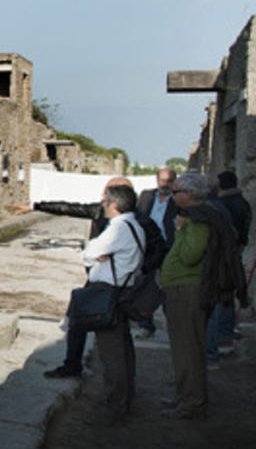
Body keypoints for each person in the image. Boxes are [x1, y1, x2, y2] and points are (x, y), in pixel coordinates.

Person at [36, 177, 162, 378]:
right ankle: (72, 364)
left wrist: (130, 267)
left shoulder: (136, 222)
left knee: (112, 341)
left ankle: (118, 399)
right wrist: (37, 206)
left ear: (120, 198)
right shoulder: (106, 213)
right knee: (77, 322)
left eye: (108, 193)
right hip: (101, 279)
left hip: (114, 284)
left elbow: (157, 251)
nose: (103, 197)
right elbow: (70, 208)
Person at [160, 172, 245, 419]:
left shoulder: (197, 219)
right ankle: (186, 396)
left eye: (176, 192)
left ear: (189, 194)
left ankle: (192, 403)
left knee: (188, 349)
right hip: (186, 288)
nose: (172, 196)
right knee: (186, 347)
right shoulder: (200, 215)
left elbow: (190, 255)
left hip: (188, 290)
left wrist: (179, 230)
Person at [80, 184, 144, 421]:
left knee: (112, 353)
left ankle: (115, 406)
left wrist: (95, 253)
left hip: (109, 294)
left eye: (105, 201)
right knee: (122, 349)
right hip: (122, 292)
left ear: (114, 204)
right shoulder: (134, 225)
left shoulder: (118, 228)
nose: (103, 205)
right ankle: (124, 398)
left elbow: (87, 252)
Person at [208, 169, 252, 359]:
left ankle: (222, 335)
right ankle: (226, 332)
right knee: (229, 290)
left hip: (224, 253)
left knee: (221, 291)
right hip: (235, 250)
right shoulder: (242, 202)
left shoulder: (222, 204)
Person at [133, 167, 179, 338]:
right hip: (149, 248)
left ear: (175, 182)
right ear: (156, 180)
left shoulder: (178, 199)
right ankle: (146, 325)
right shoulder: (146, 196)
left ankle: (172, 325)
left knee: (169, 287)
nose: (165, 185)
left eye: (169, 181)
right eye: (162, 181)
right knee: (145, 286)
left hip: (169, 249)